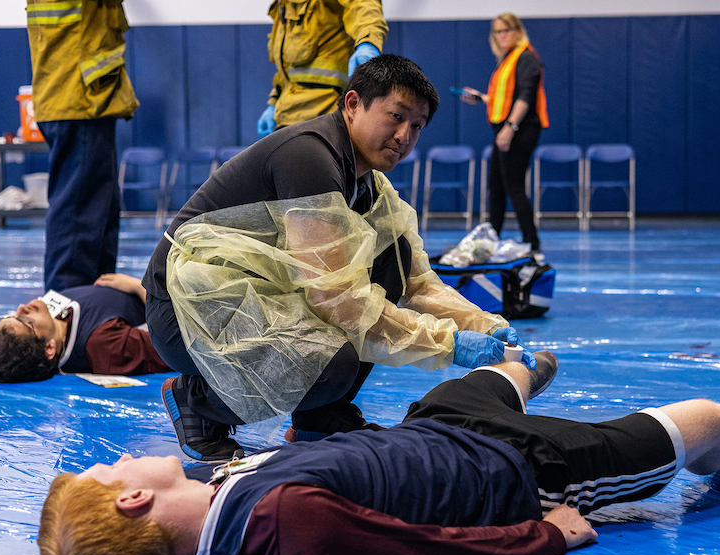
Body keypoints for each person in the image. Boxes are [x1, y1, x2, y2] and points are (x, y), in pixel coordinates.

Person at [37, 351, 720, 555]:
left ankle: (520, 369)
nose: (121, 455)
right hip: (523, 469)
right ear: (133, 498)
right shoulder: (282, 531)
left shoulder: (203, 522)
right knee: (706, 418)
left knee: (502, 367)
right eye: (109, 468)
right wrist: (542, 536)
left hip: (436, 429)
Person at [143, 55, 535, 462]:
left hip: (248, 296)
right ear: (352, 104)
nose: (404, 136)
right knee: (330, 363)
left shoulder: (368, 182)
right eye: (396, 116)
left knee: (392, 255)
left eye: (417, 126)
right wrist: (449, 344)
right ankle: (197, 402)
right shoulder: (309, 158)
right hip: (185, 313)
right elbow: (337, 300)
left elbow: (417, 281)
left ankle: (320, 417)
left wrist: (486, 326)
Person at [25, 0, 139, 293]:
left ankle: (93, 303)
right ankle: (66, 307)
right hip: (79, 98)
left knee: (98, 213)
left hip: (80, 97)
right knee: (79, 216)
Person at [0, 274, 169, 383]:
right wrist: (141, 288)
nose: (21, 308)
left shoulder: (43, 330)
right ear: (49, 348)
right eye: (24, 321)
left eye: (11, 316)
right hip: (169, 299)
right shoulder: (105, 346)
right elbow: (174, 342)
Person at [461, 13, 548, 258]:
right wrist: (482, 98)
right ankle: (491, 242)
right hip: (507, 128)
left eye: (506, 30)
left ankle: (532, 244)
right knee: (496, 187)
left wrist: (510, 127)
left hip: (520, 129)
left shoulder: (526, 57)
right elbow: (505, 97)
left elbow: (525, 96)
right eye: (497, 32)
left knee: (514, 186)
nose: (501, 36)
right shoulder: (507, 59)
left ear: (518, 31)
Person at [257, 0, 388, 134]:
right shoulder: (284, 4)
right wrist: (274, 103)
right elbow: (288, 69)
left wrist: (368, 42)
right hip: (288, 119)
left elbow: (363, 5)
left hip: (328, 117)